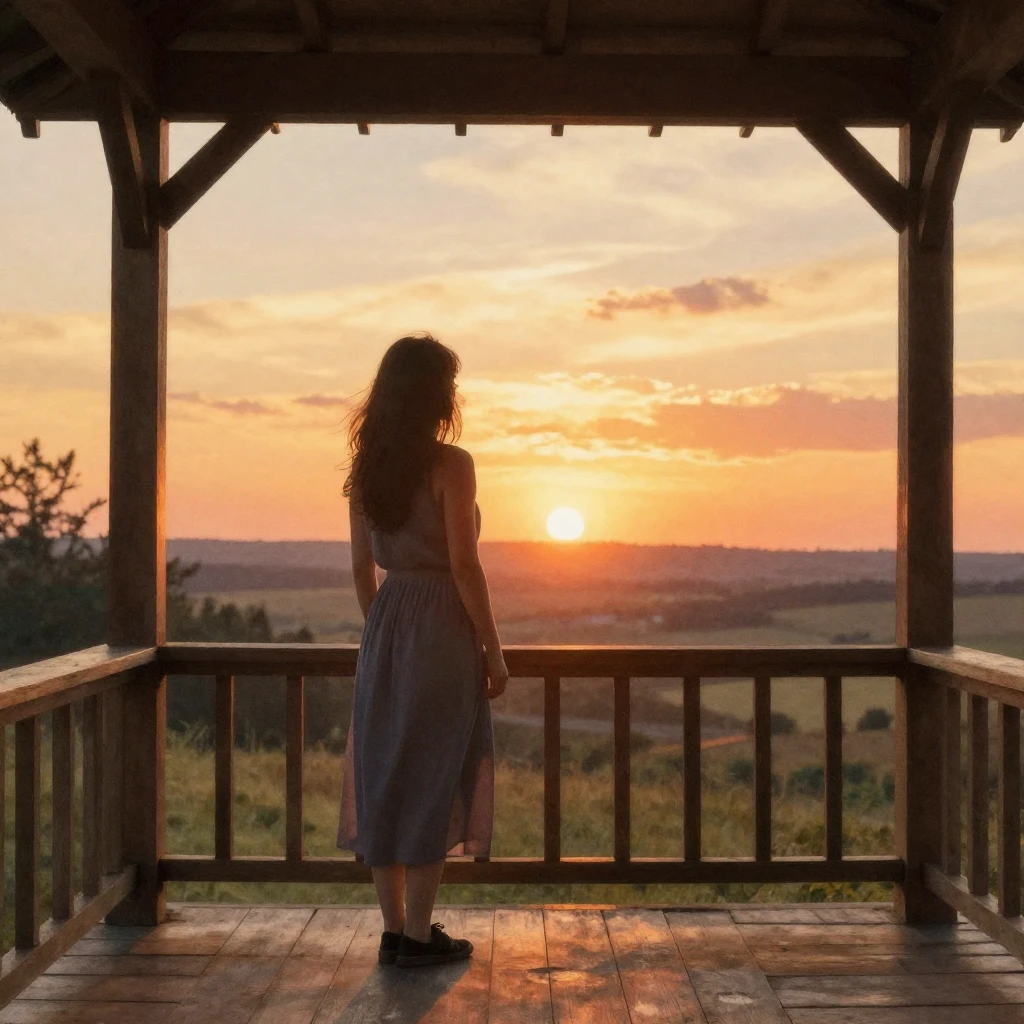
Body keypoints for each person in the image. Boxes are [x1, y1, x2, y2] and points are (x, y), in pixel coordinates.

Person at [337, 333, 508, 968]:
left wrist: (387, 629)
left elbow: (361, 571)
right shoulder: (452, 465)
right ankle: (418, 932)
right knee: (436, 772)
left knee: (386, 773)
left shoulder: (367, 471)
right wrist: (493, 651)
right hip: (442, 628)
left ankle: (392, 931)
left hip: (385, 629)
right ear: (436, 395)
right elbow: (466, 564)